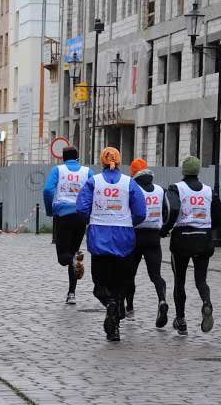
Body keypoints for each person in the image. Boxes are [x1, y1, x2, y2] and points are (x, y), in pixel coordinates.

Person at [76, 147, 146, 341]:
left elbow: (81, 208)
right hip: (124, 239)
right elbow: (140, 212)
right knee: (120, 284)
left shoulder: (93, 182)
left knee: (100, 286)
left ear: (102, 162)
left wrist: (93, 218)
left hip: (99, 238)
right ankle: (114, 325)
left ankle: (110, 305)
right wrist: (127, 222)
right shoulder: (129, 183)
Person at [160, 156, 221, 336]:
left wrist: (165, 229)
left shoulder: (176, 189)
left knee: (179, 281)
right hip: (203, 238)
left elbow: (171, 211)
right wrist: (206, 226)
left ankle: (181, 320)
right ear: (198, 171)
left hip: (182, 238)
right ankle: (206, 302)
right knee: (201, 280)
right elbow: (219, 217)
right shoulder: (209, 191)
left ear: (183, 170)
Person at [42, 146, 93, 305]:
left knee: (63, 257)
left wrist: (50, 209)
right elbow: (94, 191)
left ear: (63, 158)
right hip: (80, 217)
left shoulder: (58, 170)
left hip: (63, 216)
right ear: (77, 158)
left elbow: (47, 190)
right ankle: (72, 293)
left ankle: (73, 261)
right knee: (73, 252)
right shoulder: (87, 172)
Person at [126, 159, 169, 325]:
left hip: (135, 235)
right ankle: (162, 300)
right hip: (153, 236)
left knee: (130, 274)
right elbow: (168, 211)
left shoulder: (133, 189)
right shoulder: (160, 190)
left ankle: (129, 307)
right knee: (156, 275)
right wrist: (163, 228)